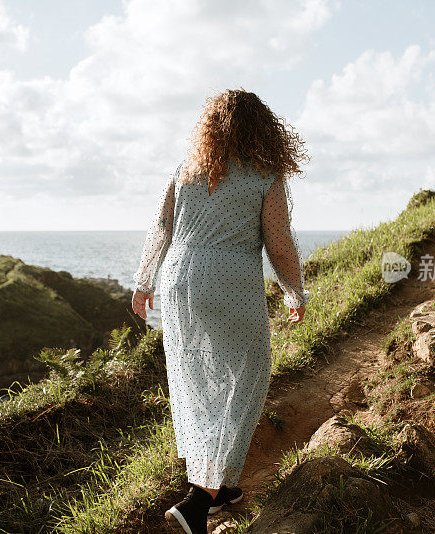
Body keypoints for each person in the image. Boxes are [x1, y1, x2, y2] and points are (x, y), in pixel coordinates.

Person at [132, 88, 311, 534]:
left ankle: (221, 484)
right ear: (265, 130)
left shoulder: (187, 169)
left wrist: (143, 283)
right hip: (227, 279)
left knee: (195, 378)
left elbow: (162, 227)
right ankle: (198, 502)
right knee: (247, 374)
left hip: (178, 278)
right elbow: (279, 244)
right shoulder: (265, 176)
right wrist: (295, 292)